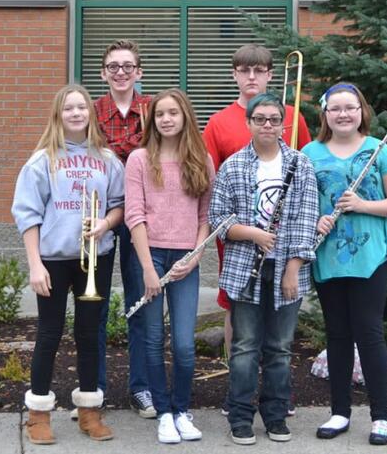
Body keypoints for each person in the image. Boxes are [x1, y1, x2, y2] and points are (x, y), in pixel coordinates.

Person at [12, 84, 126, 445]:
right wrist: (35, 265)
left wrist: (106, 223)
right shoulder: (41, 160)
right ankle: (39, 414)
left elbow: (119, 204)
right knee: (49, 334)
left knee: (90, 335)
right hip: (53, 260)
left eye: (82, 107)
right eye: (68, 108)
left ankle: (90, 411)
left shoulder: (108, 159)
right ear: (58, 115)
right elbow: (27, 215)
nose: (76, 113)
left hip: (96, 258)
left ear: (91, 114)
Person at [208, 93, 318, 446]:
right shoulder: (233, 166)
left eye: (274, 119)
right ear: (249, 123)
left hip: (287, 269)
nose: (268, 125)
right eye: (261, 119)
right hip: (244, 269)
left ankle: (275, 415)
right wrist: (253, 233)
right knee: (244, 348)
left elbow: (306, 220)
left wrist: (292, 268)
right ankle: (240, 416)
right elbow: (219, 218)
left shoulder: (300, 165)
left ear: (283, 124)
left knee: (280, 347)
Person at [304, 83, 387, 446]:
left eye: (350, 107)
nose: (343, 114)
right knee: (336, 334)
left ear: (362, 111)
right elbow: (302, 206)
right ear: (325, 114)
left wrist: (362, 205)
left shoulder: (379, 150)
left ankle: (381, 416)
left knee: (369, 332)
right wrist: (315, 221)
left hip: (370, 257)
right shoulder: (310, 152)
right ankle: (339, 412)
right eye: (335, 108)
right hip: (328, 255)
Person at [203, 44, 311, 372]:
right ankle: (238, 379)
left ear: (270, 75)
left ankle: (275, 385)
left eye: (259, 70)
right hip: (240, 235)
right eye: (244, 70)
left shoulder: (292, 116)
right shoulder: (219, 122)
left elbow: (308, 170)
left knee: (280, 308)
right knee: (235, 305)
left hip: (287, 235)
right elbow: (212, 181)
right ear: (234, 75)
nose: (252, 77)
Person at [125, 88, 215, 444]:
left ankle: (182, 410)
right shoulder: (138, 159)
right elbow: (134, 215)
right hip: (148, 256)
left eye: (173, 113)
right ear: (153, 119)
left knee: (183, 344)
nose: (166, 119)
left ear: (185, 117)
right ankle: (163, 412)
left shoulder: (202, 160)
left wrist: (195, 256)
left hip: (185, 259)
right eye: (160, 113)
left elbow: (206, 215)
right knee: (152, 339)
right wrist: (147, 268)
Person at [92, 39, 156, 419]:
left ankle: (142, 388)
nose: (120, 72)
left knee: (141, 304)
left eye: (127, 66)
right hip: (99, 216)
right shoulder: (90, 110)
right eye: (113, 66)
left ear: (139, 72)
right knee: (94, 306)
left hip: (140, 219)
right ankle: (94, 387)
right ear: (103, 72)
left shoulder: (152, 110)